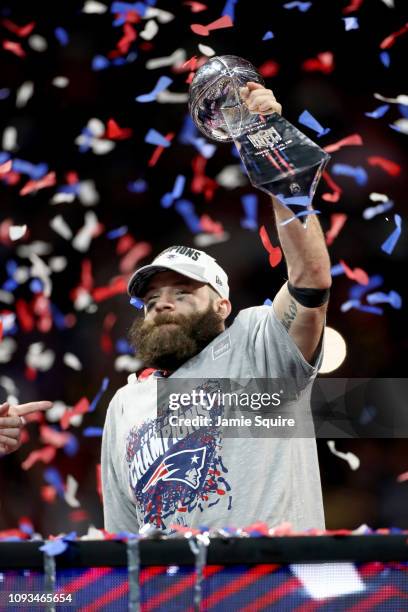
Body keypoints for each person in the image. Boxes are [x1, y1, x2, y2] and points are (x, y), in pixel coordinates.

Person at [101, 82, 332, 534]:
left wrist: (273, 153)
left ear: (222, 304)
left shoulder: (255, 343)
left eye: (183, 292)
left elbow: (310, 279)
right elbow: (121, 540)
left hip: (273, 595)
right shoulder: (125, 405)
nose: (162, 303)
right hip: (174, 601)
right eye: (151, 299)